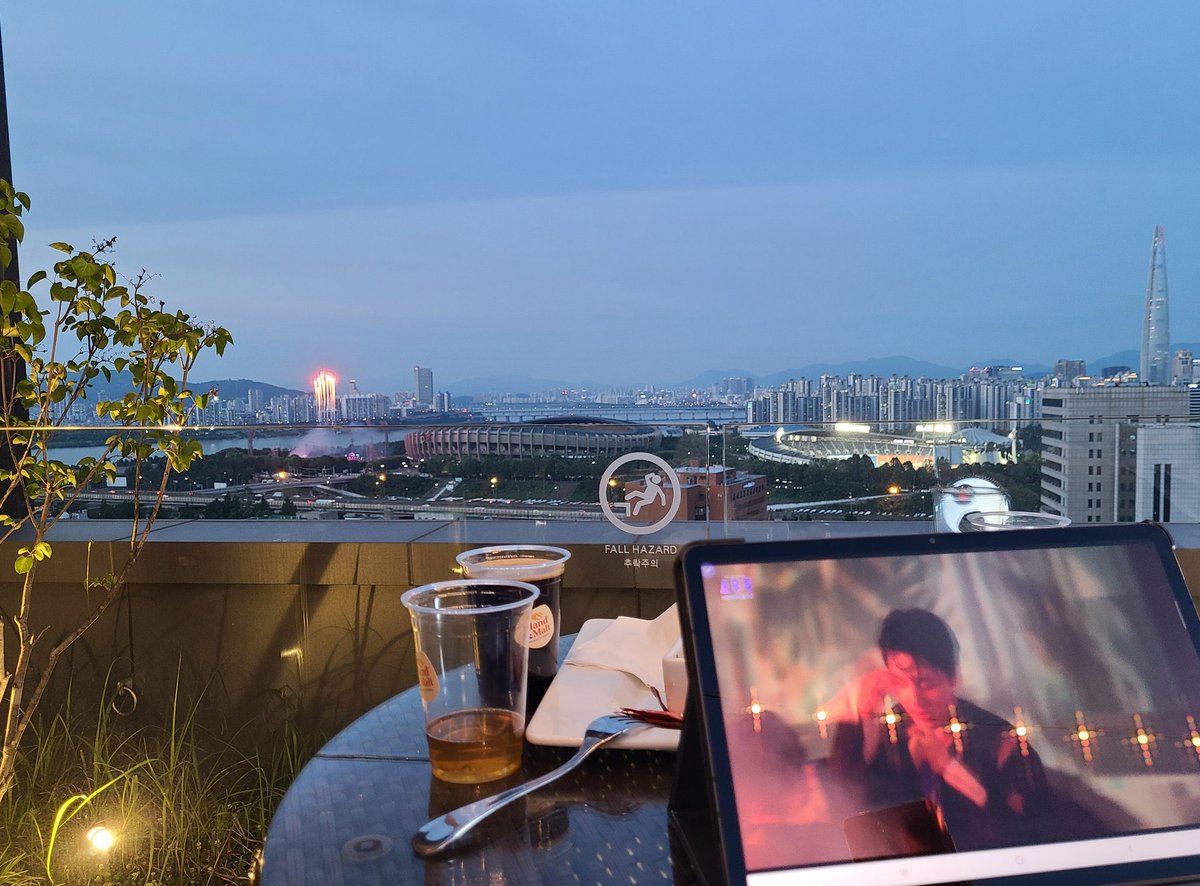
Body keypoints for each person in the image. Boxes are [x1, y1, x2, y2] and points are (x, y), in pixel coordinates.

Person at [828, 608, 1053, 854]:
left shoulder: (998, 740)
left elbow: (1030, 834)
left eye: (926, 683)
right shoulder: (887, 733)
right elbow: (841, 803)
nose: (914, 698)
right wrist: (861, 712)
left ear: (954, 676)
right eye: (900, 683)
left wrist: (948, 767)